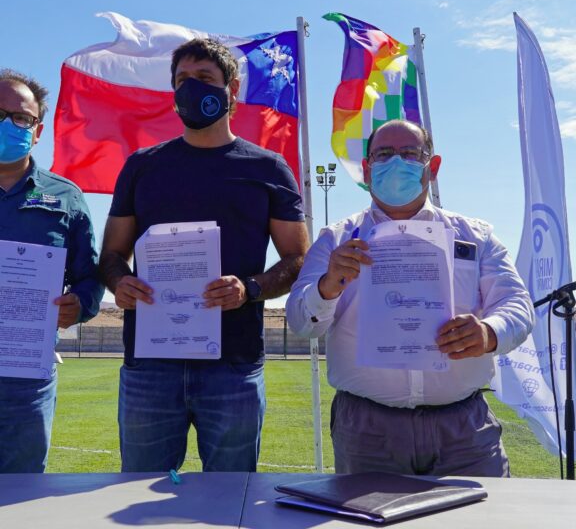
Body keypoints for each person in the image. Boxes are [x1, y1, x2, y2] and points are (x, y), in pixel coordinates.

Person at [99, 38, 309, 473]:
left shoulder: (268, 169)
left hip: (232, 365)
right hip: (150, 366)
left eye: (204, 79)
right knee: (134, 492)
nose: (191, 89)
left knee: (231, 501)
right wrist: (119, 282)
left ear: (231, 90)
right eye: (182, 81)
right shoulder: (143, 166)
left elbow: (298, 258)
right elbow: (112, 253)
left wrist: (250, 289)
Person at [287, 119, 534, 477]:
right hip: (367, 433)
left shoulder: (475, 237)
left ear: (432, 168)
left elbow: (517, 306)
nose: (396, 163)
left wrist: (488, 332)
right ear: (367, 170)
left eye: (409, 154)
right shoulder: (334, 239)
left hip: (464, 428)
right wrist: (327, 286)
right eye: (384, 154)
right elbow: (299, 321)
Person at [0, 69, 103, 473]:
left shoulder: (65, 197)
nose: (9, 124)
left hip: (27, 378)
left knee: (21, 496)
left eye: (20, 117)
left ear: (37, 131)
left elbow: (91, 277)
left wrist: (78, 304)